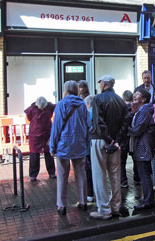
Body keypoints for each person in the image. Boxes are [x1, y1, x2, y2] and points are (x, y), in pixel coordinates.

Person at [90, 75, 129, 220]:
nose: (100, 85)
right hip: (116, 143)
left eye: (100, 83)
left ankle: (104, 210)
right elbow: (125, 123)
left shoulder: (98, 99)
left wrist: (109, 139)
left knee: (99, 175)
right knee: (115, 176)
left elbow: (98, 122)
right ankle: (116, 207)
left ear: (104, 84)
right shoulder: (120, 100)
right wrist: (116, 140)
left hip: (101, 141)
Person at [49, 81, 90, 216]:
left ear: (65, 90)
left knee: (62, 176)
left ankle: (62, 206)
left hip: (63, 145)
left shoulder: (61, 105)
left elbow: (56, 127)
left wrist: (52, 146)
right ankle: (83, 202)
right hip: (79, 145)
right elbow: (87, 125)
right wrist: (86, 142)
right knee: (81, 175)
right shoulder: (82, 105)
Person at [129, 89, 155, 211]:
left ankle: (148, 200)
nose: (134, 95)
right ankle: (147, 198)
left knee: (144, 175)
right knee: (143, 174)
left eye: (138, 94)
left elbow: (137, 130)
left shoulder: (144, 112)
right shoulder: (140, 111)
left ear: (144, 99)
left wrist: (129, 129)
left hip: (143, 147)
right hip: (141, 147)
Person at [24, 96, 56, 181]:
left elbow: (29, 117)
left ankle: (35, 175)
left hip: (41, 134)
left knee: (44, 154)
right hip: (39, 134)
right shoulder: (49, 107)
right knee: (38, 154)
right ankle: (50, 173)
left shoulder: (32, 109)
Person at [120, 90, 139, 188]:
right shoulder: (135, 108)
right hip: (133, 138)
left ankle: (123, 181)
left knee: (122, 161)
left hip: (123, 138)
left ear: (123, 98)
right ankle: (137, 178)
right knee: (135, 159)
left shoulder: (121, 109)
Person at [84, 94, 95, 203]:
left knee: (88, 171)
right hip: (96, 146)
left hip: (88, 146)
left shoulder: (89, 114)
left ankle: (90, 193)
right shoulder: (98, 113)